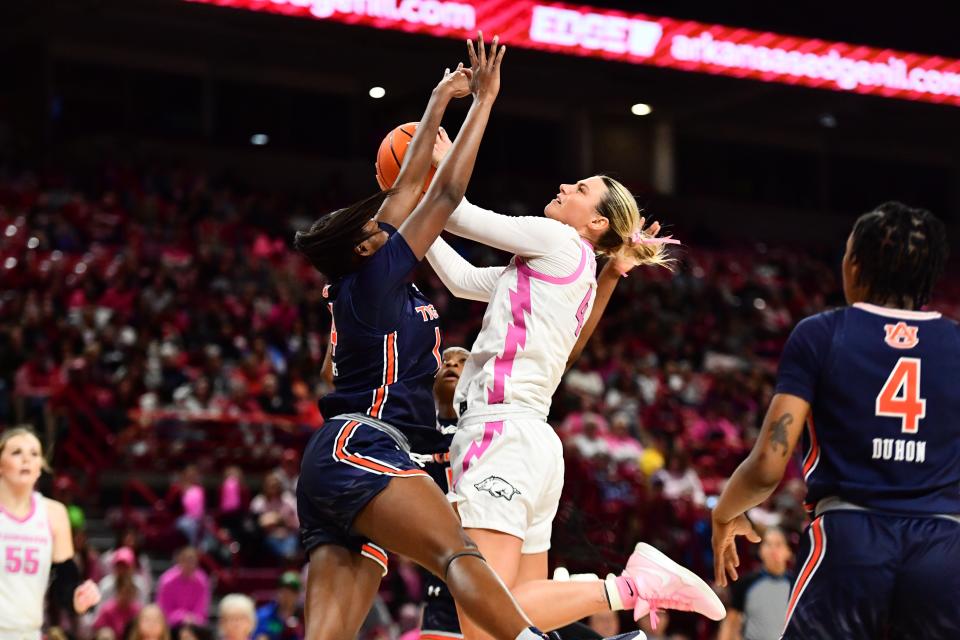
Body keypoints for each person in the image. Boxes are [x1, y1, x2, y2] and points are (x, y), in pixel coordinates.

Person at [294, 34, 605, 640]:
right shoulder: (376, 279)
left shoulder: (382, 282)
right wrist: (477, 103)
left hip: (358, 460)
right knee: (459, 557)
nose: (390, 220)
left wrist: (438, 100)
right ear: (363, 246)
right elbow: (436, 195)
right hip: (363, 447)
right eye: (378, 224)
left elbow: (448, 255)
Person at [423, 162, 724, 634]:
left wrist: (429, 169)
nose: (563, 186)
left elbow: (458, 213)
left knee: (482, 618)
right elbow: (461, 280)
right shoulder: (563, 267)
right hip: (532, 443)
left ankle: (628, 587)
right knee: (513, 624)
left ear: (597, 222)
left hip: (500, 434)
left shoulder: (558, 241)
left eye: (580, 188)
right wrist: (404, 219)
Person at [711, 202, 960, 639]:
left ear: (856, 266)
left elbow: (770, 462)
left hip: (851, 537)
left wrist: (726, 511)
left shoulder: (821, 333)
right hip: (945, 546)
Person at [0, 426, 101, 639]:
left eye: (34, 454)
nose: (26, 459)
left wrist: (78, 598)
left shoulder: (54, 514)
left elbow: (64, 579)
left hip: (28, 632)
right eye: (17, 452)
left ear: (40, 467)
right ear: (1, 464)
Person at [716, 527, 792, 640]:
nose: (773, 550)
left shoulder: (796, 585)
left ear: (788, 552)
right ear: (761, 551)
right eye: (768, 544)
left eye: (778, 544)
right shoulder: (747, 583)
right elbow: (730, 623)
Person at [156, 547, 210, 626]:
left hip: (194, 624)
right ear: (180, 561)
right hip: (171, 625)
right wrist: (182, 617)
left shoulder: (202, 581)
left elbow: (201, 609)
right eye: (187, 561)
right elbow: (164, 610)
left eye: (193, 561)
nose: (190, 565)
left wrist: (193, 619)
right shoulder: (167, 581)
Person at [254, 571, 305, 640]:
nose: (287, 596)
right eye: (283, 591)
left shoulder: (304, 617)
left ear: (298, 595)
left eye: (291, 592)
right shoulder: (264, 614)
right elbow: (259, 636)